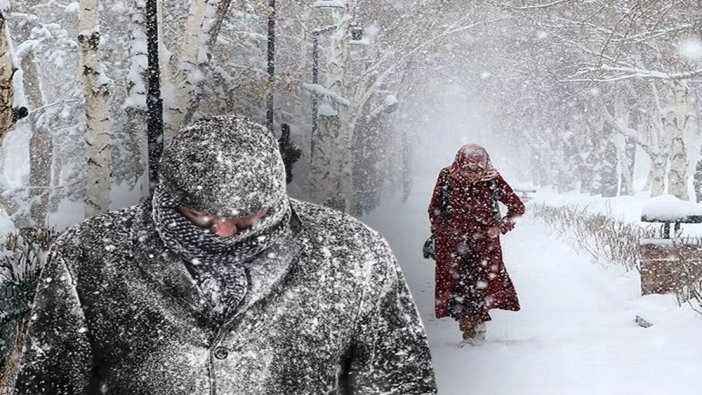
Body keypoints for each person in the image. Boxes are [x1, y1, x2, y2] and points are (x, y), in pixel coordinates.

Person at [13, 115, 437, 394]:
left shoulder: (351, 253)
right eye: (199, 214)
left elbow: (398, 380)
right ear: (168, 196)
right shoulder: (89, 254)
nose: (223, 231)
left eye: (248, 217)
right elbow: (48, 382)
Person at [428, 144, 525, 345]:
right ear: (460, 165)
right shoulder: (447, 177)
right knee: (458, 290)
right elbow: (434, 209)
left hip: (485, 248)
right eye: (468, 169)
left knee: (478, 288)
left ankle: (473, 333)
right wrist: (445, 232)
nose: (473, 174)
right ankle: (470, 331)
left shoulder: (492, 179)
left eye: (478, 170)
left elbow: (517, 207)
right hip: (453, 247)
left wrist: (500, 228)